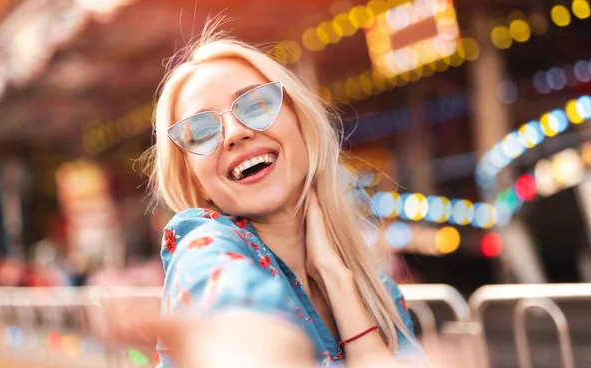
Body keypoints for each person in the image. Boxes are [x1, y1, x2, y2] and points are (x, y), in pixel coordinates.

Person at [143, 20, 429, 368]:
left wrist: (335, 278)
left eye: (256, 105)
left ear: (300, 123)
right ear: (197, 179)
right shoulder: (204, 245)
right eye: (201, 131)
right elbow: (241, 330)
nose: (234, 133)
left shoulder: (382, 294)